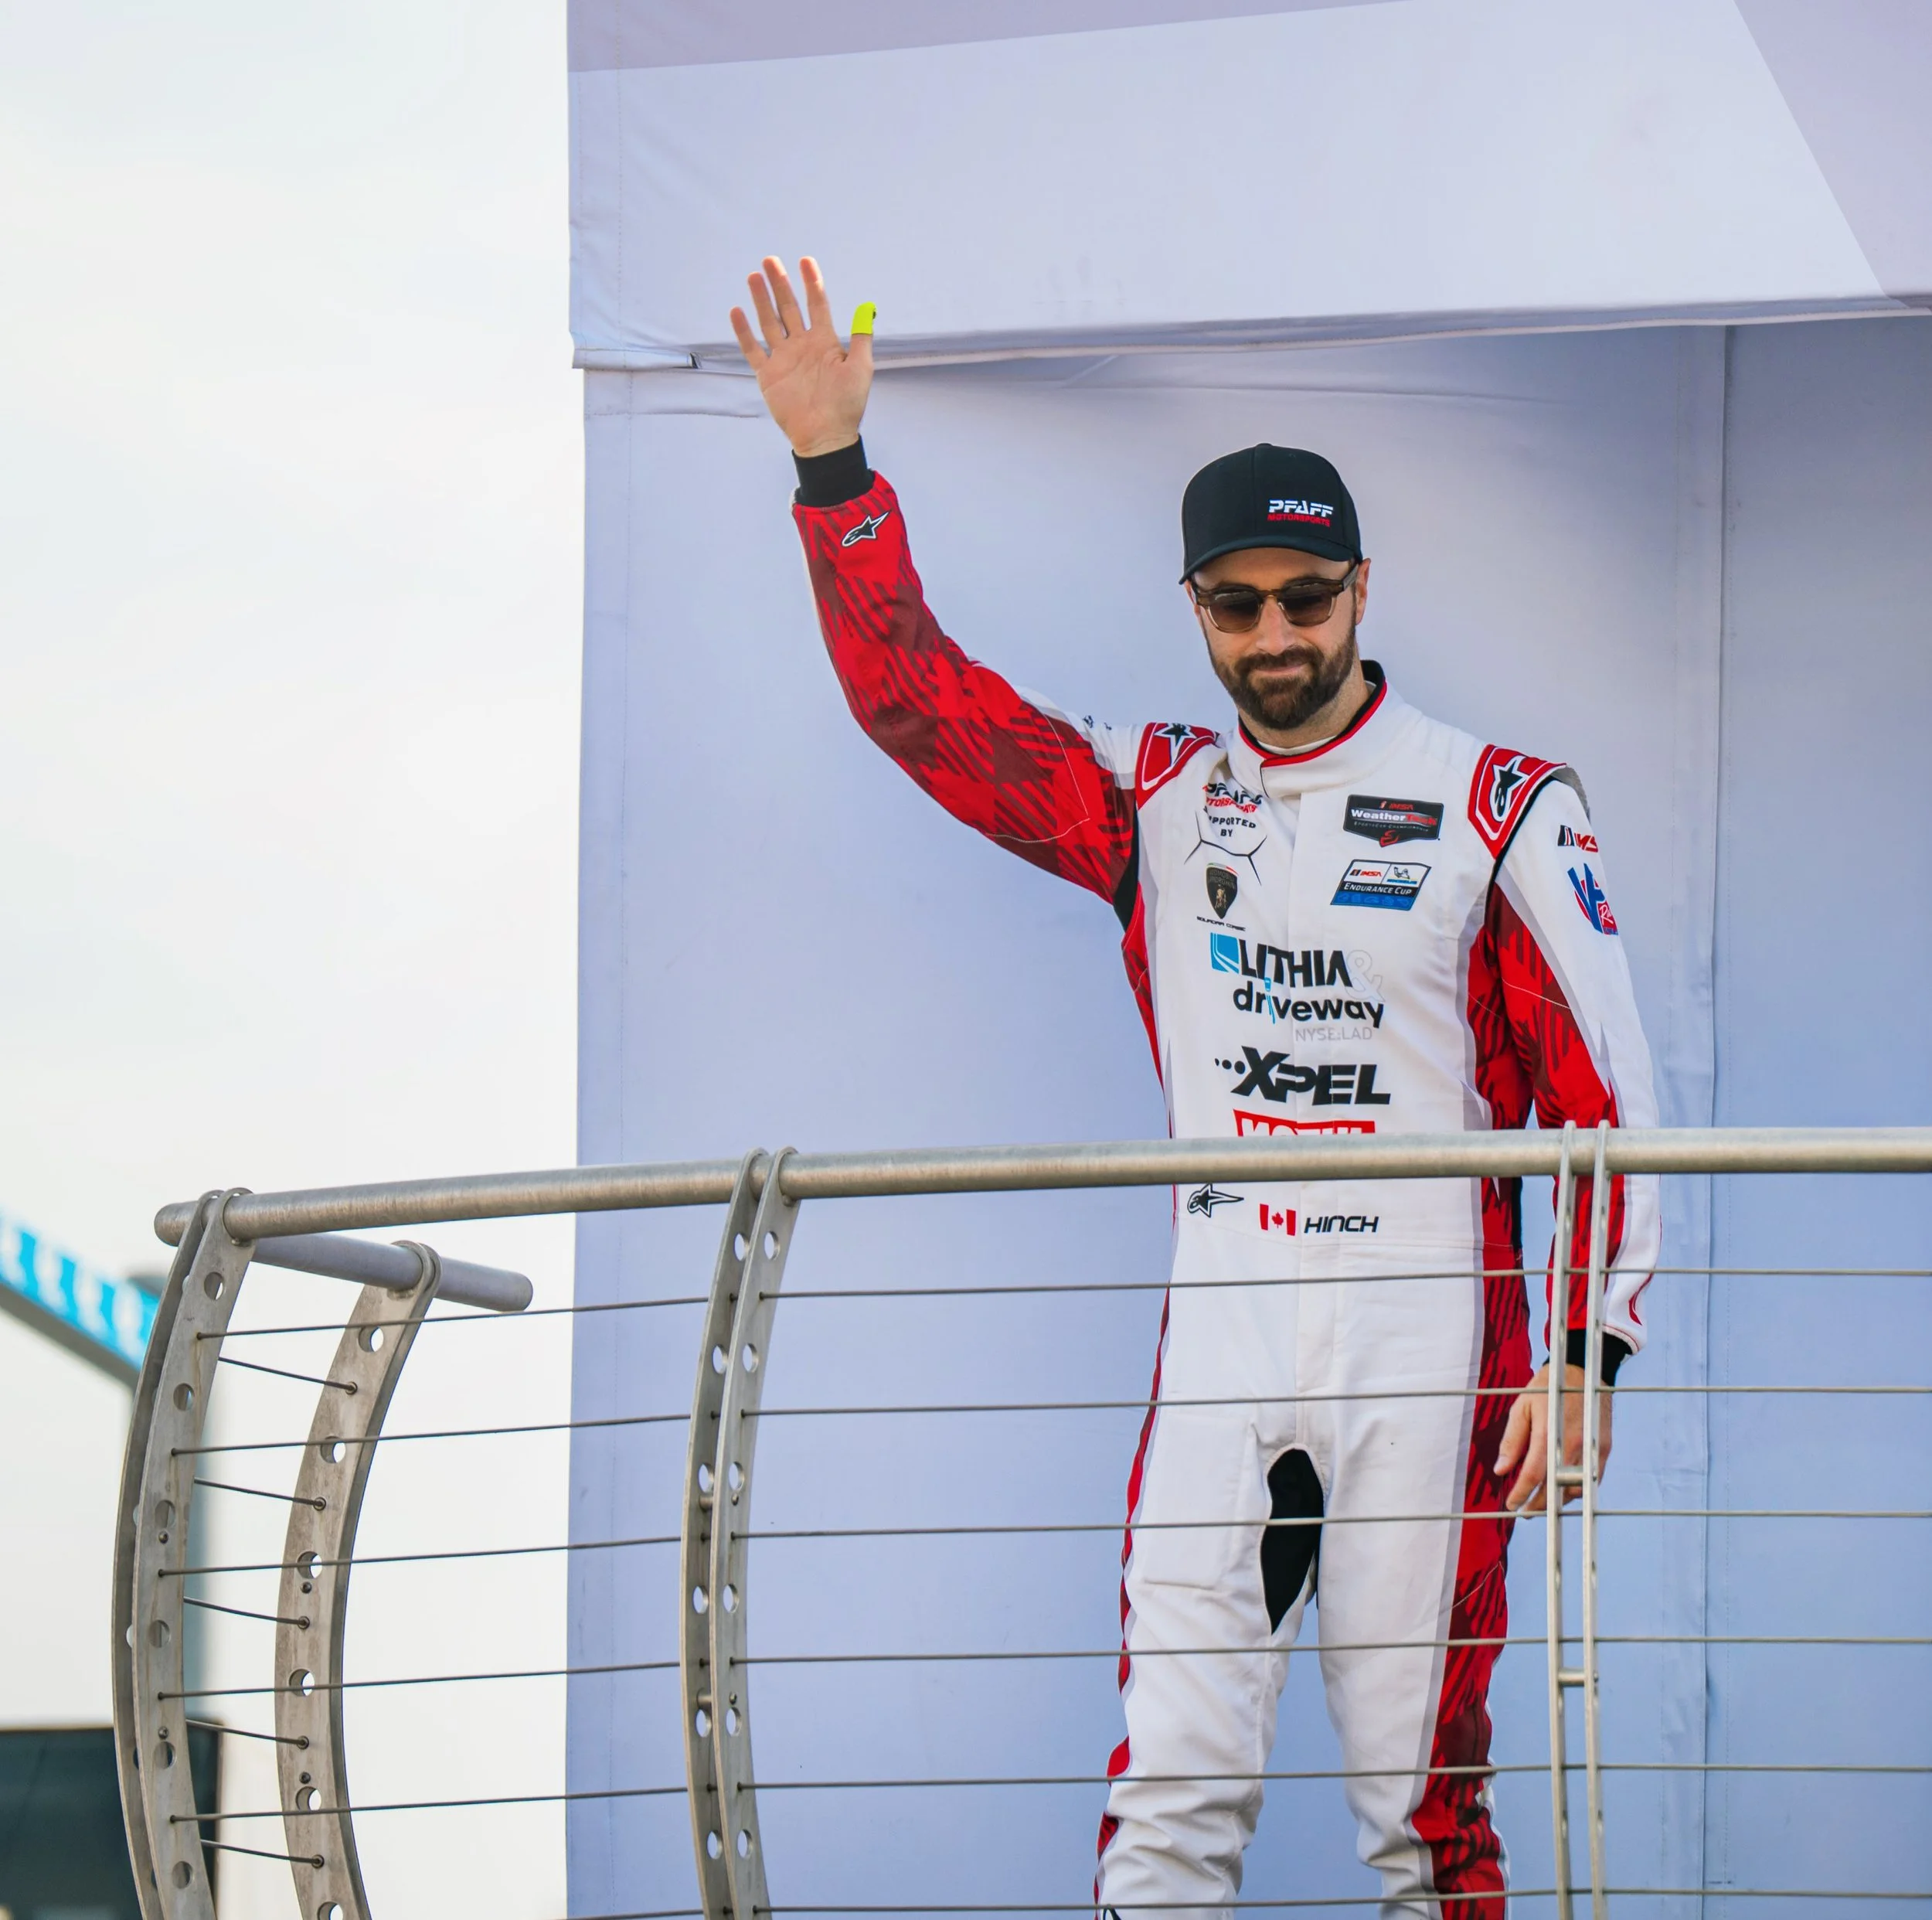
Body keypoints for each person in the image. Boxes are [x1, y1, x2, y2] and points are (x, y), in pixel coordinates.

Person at [730, 257, 1661, 1920]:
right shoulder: (1148, 795)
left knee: (1421, 1815)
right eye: (1236, 606)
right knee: (1166, 1796)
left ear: (1359, 591)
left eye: (1303, 598)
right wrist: (833, 477)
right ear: (1194, 613)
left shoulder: (1496, 801)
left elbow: (1601, 1092)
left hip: (1430, 1330)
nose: (1275, 636)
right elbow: (917, 707)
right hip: (1224, 1312)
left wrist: (1586, 1351)